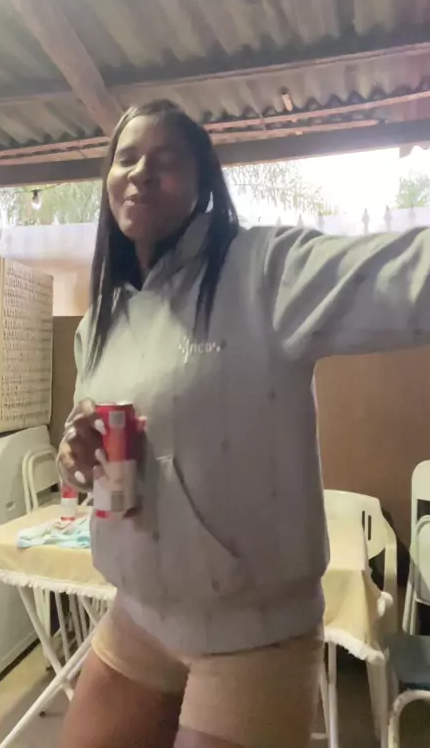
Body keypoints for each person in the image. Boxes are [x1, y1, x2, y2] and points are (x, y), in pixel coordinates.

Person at [57, 99, 430, 748]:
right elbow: (94, 464)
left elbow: (403, 275)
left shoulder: (263, 270)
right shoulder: (101, 320)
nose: (140, 171)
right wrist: (76, 456)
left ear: (203, 184)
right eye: (126, 157)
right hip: (138, 614)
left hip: (252, 634)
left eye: (164, 159)